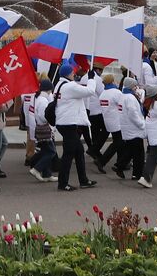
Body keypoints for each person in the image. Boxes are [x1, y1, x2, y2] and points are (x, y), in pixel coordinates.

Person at [53, 63, 97, 191]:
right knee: (68, 154)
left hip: (63, 122)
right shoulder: (70, 86)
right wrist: (91, 79)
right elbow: (90, 91)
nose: (74, 74)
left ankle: (83, 180)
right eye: (72, 73)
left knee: (79, 151)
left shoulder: (59, 85)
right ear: (68, 74)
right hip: (68, 123)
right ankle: (63, 183)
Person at [115, 78, 145, 180]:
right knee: (139, 153)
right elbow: (133, 114)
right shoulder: (130, 98)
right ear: (131, 86)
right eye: (134, 86)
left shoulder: (123, 96)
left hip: (127, 127)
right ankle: (136, 173)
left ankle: (120, 166)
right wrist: (141, 124)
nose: (136, 87)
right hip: (134, 128)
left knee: (131, 150)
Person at [93, 74, 124, 171]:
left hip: (108, 121)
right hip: (117, 121)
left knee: (119, 142)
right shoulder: (116, 92)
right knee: (118, 142)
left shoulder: (103, 93)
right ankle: (102, 161)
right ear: (112, 81)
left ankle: (120, 163)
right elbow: (123, 106)